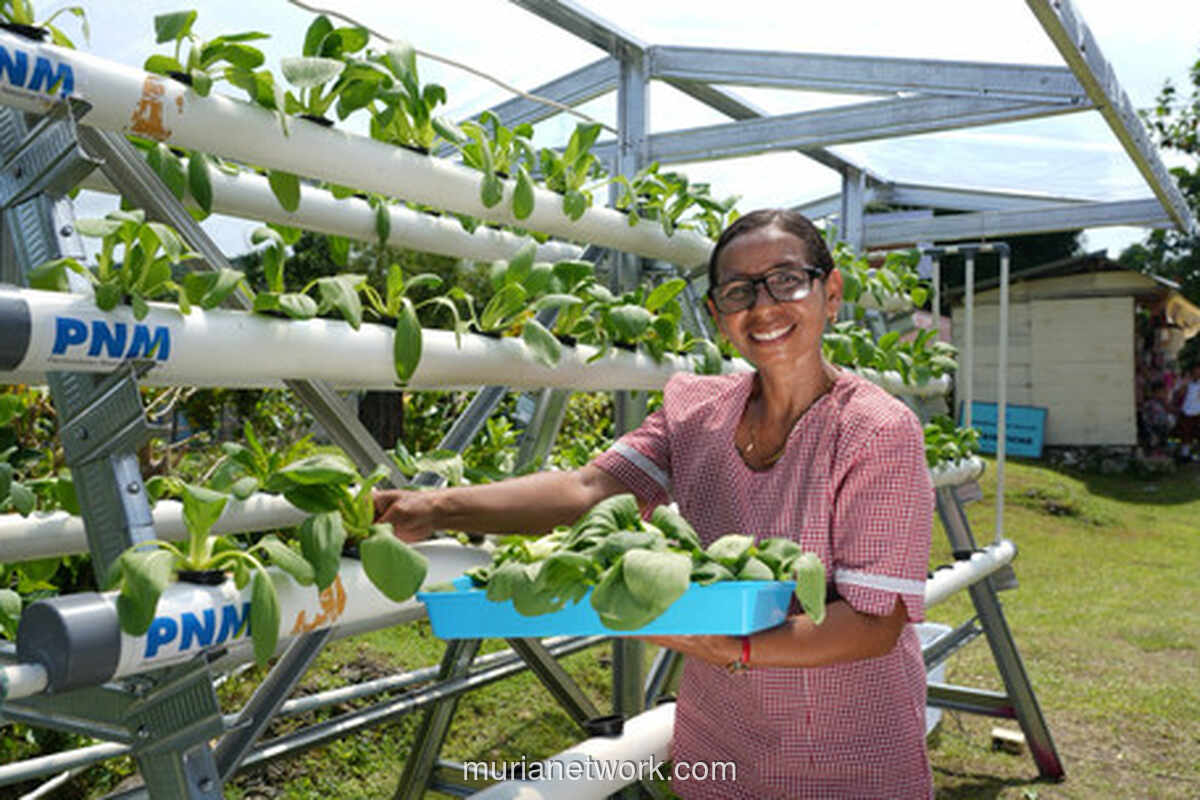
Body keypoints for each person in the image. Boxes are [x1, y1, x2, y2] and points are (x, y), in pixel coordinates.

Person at [374, 209, 934, 799]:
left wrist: (733, 648)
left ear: (832, 292)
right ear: (717, 315)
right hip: (720, 743)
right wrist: (436, 508)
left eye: (787, 280)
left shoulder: (875, 431)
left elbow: (874, 624)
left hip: (845, 756)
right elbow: (589, 490)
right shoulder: (699, 411)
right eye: (739, 291)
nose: (764, 306)